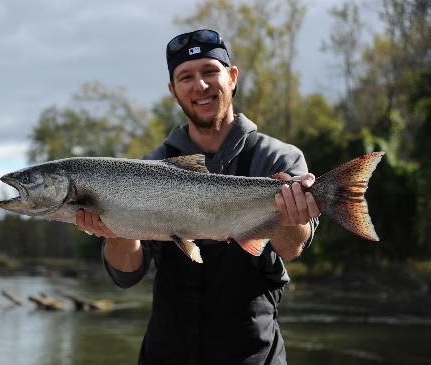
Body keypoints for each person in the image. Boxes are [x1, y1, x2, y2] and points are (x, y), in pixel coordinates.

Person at [76, 29, 320, 365]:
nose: (200, 86)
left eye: (209, 71)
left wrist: (291, 214)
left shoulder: (278, 159)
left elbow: (292, 248)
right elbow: (126, 273)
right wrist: (118, 229)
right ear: (173, 90)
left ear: (232, 78)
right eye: (186, 77)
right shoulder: (147, 167)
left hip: (253, 354)